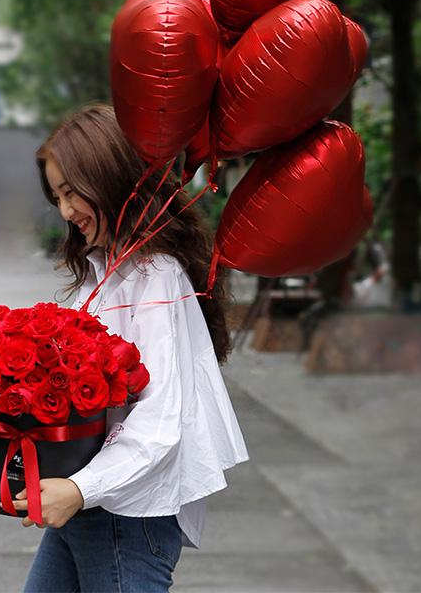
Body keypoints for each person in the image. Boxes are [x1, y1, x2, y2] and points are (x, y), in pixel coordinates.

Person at [15, 102, 249, 593]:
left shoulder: (154, 276)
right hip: (95, 499)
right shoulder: (105, 274)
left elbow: (161, 418)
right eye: (56, 197)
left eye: (72, 192)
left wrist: (79, 488)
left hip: (127, 512)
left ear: (109, 176)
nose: (65, 211)